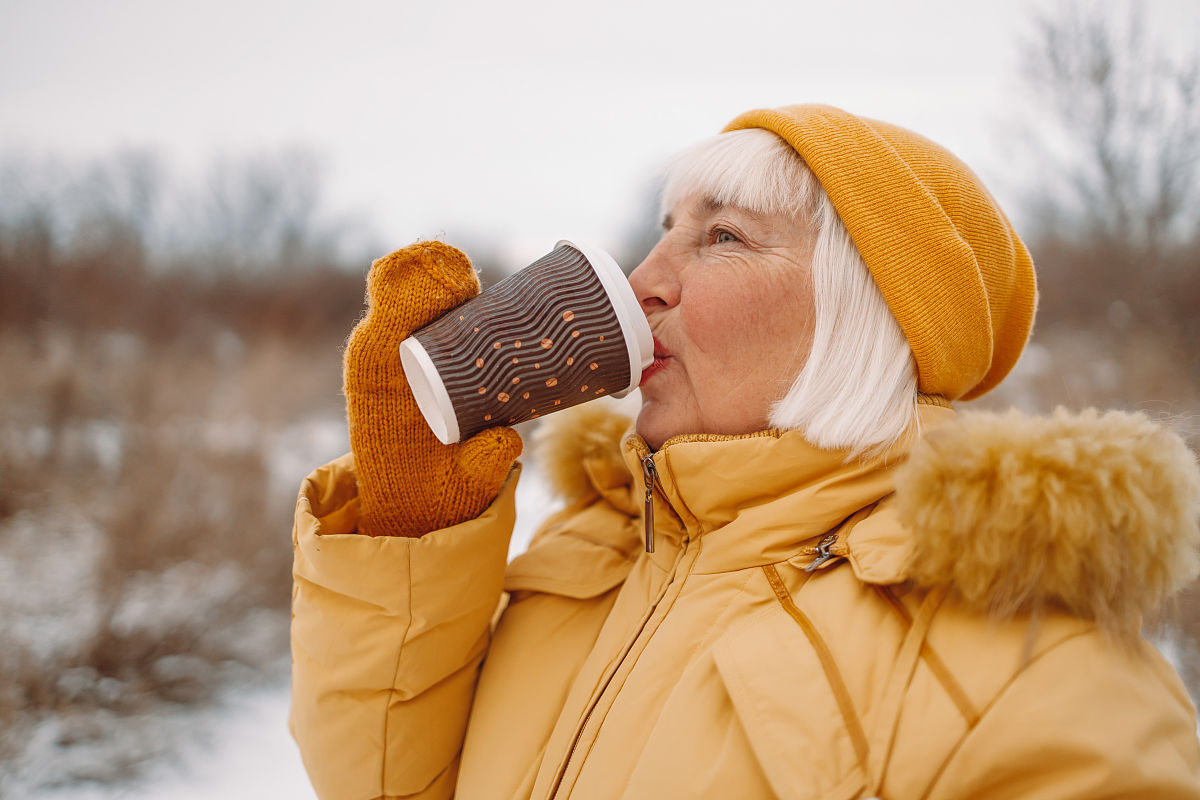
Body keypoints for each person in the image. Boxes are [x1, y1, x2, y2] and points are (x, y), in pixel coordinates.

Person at [289, 104, 1200, 799]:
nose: (645, 280)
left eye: (722, 237)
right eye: (665, 230)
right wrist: (415, 522)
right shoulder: (597, 553)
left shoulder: (1033, 666)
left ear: (866, 317)